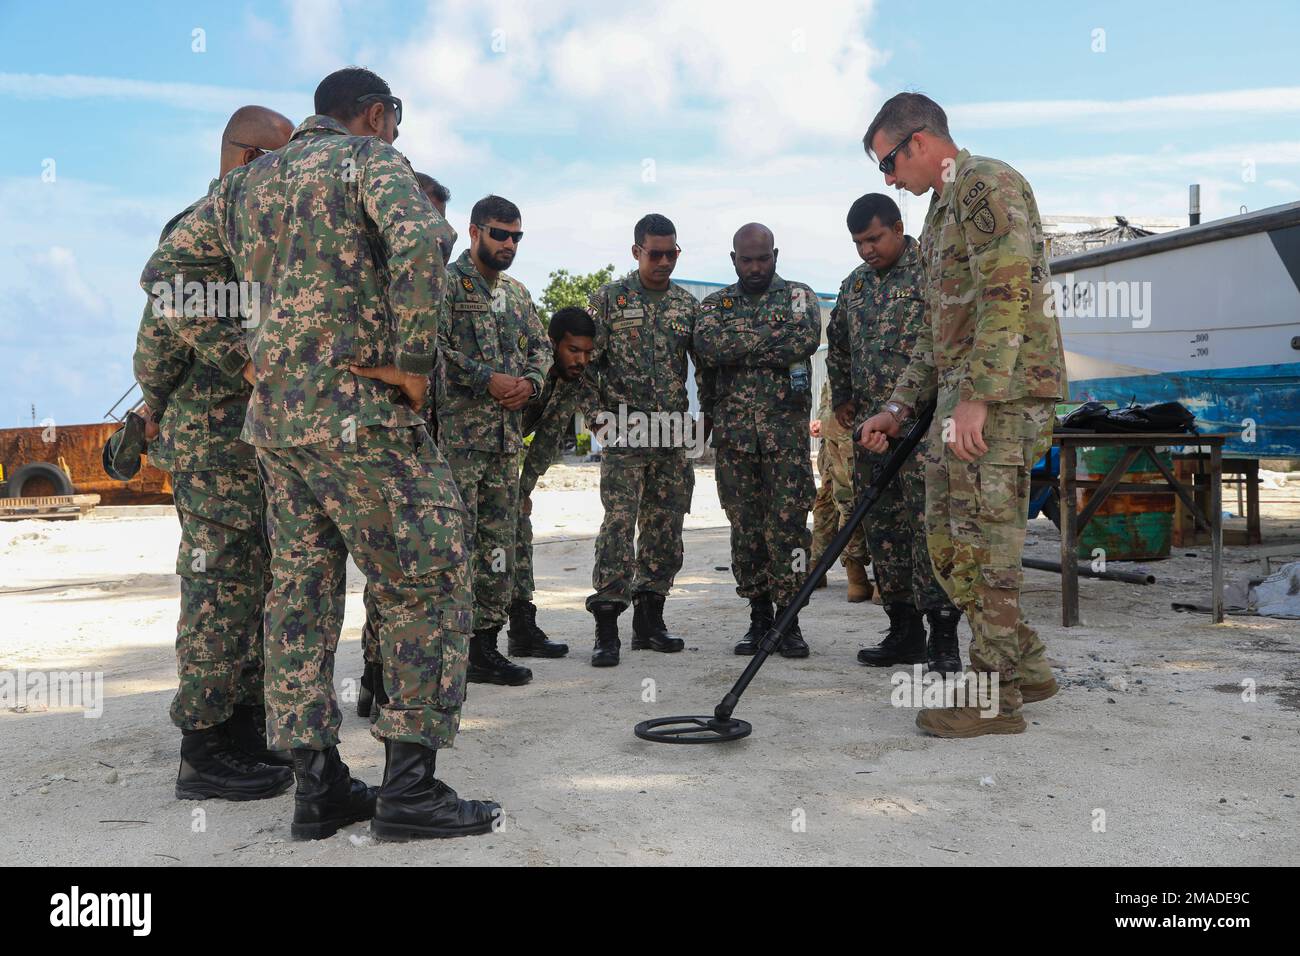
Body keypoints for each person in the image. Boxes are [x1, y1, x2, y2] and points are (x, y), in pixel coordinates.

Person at [141, 66, 498, 839]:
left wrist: (244, 356)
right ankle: (410, 791)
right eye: (394, 122)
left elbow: (166, 278)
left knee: (298, 595)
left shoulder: (242, 189)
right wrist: (410, 363)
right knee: (428, 577)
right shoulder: (368, 162)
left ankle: (318, 786)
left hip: (275, 430)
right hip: (360, 419)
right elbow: (421, 241)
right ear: (374, 114)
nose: (396, 135)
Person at [857, 92, 1066, 737]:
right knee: (949, 544)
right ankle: (1023, 663)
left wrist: (979, 395)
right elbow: (935, 330)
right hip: (960, 397)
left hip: (999, 399)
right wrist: (899, 405)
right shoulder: (938, 216)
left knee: (984, 544)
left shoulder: (986, 185)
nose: (889, 180)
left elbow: (1010, 292)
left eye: (887, 163)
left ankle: (995, 696)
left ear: (917, 142)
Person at [134, 105, 295, 803]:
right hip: (211, 439)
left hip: (254, 440)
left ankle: (243, 727)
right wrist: (245, 361)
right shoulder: (205, 221)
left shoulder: (260, 229)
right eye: (279, 164)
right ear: (248, 156)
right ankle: (202, 749)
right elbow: (162, 301)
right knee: (218, 586)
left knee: (256, 582)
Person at [827, 192, 964, 675]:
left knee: (932, 531)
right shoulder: (855, 287)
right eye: (858, 242)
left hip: (926, 430)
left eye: (874, 238)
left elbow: (949, 342)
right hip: (873, 433)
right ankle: (903, 630)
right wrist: (843, 397)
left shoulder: (932, 271)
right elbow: (837, 345)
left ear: (899, 227)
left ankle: (944, 635)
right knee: (885, 532)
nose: (866, 250)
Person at [437, 195, 552, 686]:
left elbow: (543, 346)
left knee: (496, 547)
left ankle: (486, 646)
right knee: (454, 548)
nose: (508, 244)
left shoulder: (518, 294)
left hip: (506, 446)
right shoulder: (445, 285)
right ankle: (448, 649)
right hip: (459, 444)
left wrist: (531, 382)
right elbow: (433, 349)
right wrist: (486, 378)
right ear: (474, 231)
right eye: (499, 234)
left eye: (516, 236)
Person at [584, 214, 707, 666]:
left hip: (671, 436)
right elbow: (584, 364)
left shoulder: (685, 306)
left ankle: (650, 621)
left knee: (664, 526)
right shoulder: (610, 300)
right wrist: (595, 418)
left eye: (671, 253)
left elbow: (704, 367)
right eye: (655, 253)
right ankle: (607, 625)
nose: (664, 261)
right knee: (618, 524)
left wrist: (704, 418)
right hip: (624, 432)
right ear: (636, 252)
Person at [357, 171, 456, 720]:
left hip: (439, 445)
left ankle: (402, 683)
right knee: (395, 571)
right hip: (386, 446)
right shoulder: (374, 282)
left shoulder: (429, 284)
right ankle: (380, 678)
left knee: (421, 570)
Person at [695, 224, 820, 657]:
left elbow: (804, 339)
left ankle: (791, 621)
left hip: (785, 440)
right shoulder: (715, 303)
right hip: (734, 440)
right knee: (745, 530)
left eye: (763, 258)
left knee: (789, 528)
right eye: (746, 259)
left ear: (775, 255)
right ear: (733, 259)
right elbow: (708, 349)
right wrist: (770, 343)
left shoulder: (799, 296)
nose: (755, 267)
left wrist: (739, 345)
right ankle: (759, 618)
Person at [507, 306, 599, 656]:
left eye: (588, 352)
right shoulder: (523, 365)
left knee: (519, 531)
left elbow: (546, 439)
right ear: (552, 343)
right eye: (573, 350)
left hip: (505, 459)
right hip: (467, 455)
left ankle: (521, 627)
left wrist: (524, 487)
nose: (582, 360)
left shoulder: (571, 381)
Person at [809, 381, 872, 601]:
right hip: (868, 427)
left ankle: (834, 573)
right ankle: (884, 581)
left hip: (836, 429)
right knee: (879, 501)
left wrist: (823, 422)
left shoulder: (839, 354)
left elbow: (829, 392)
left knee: (838, 499)